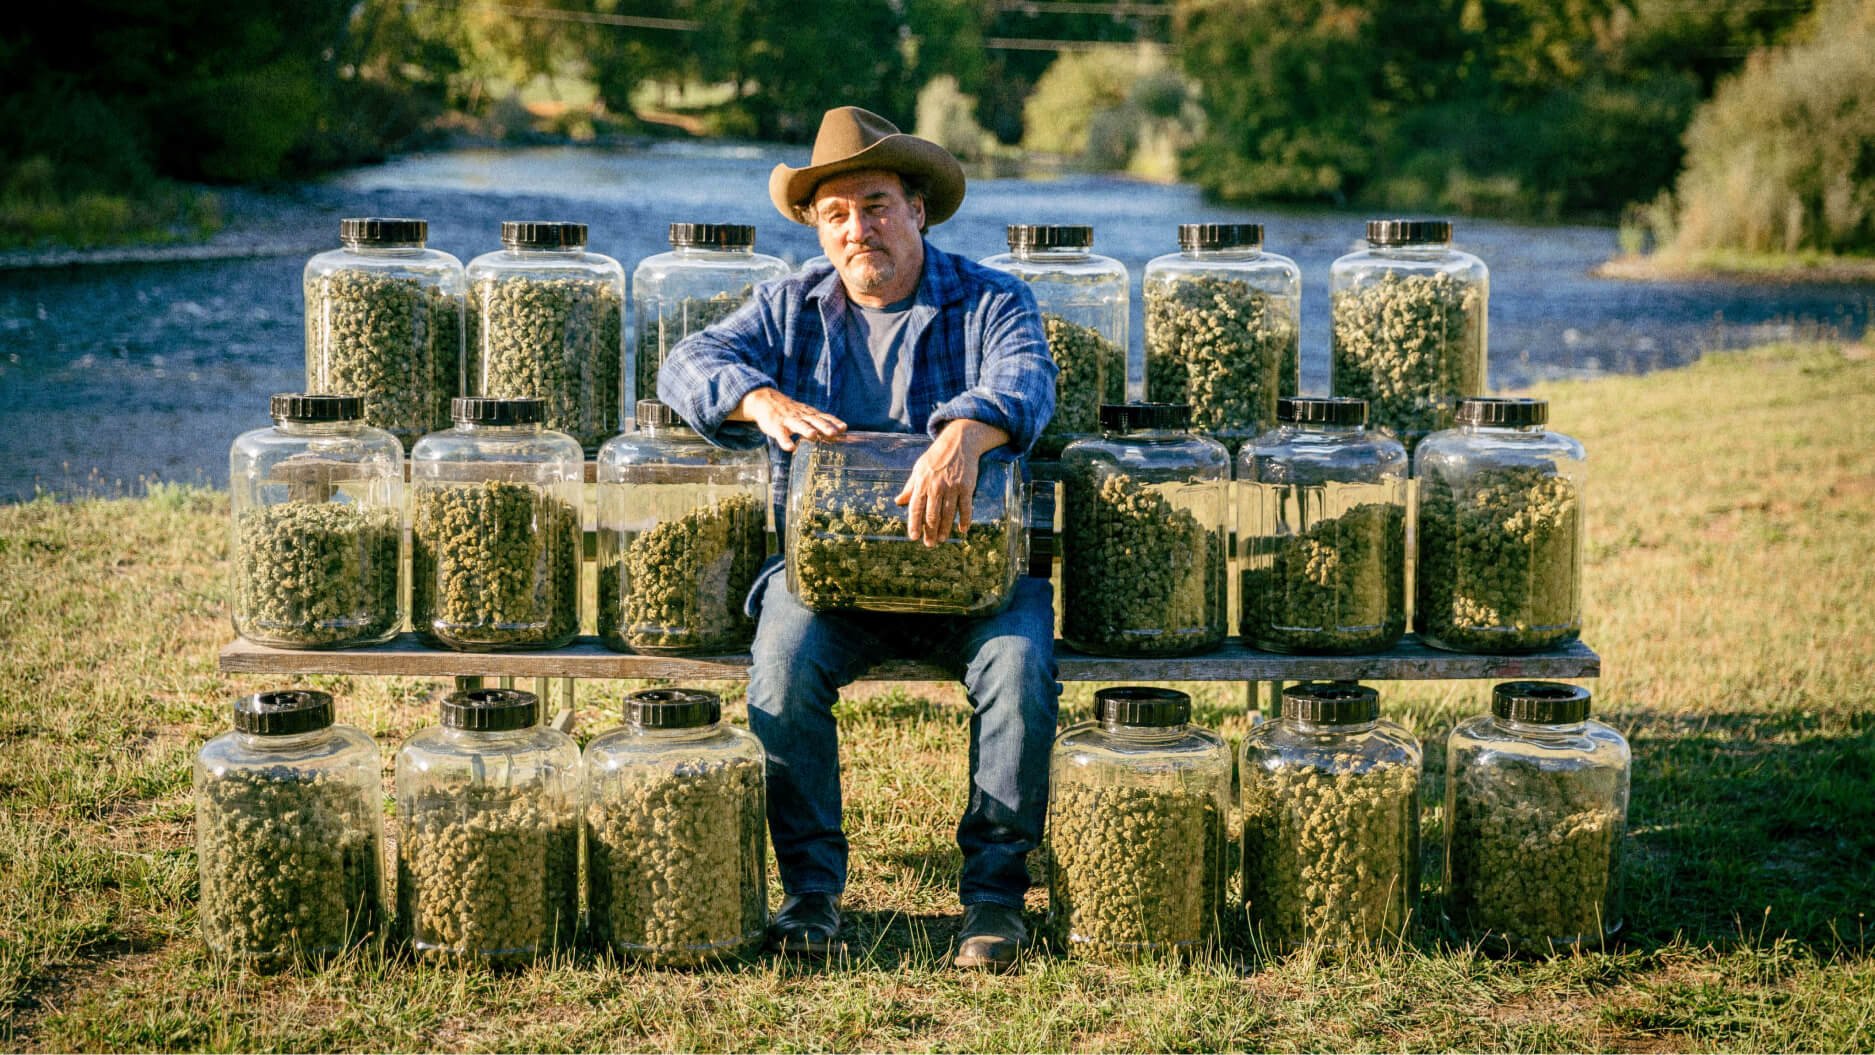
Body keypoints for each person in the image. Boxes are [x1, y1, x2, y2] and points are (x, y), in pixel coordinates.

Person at [657, 106, 1060, 970]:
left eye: (874, 205)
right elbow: (684, 361)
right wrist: (755, 397)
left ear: (917, 208)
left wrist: (965, 432)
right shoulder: (789, 305)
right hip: (831, 583)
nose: (856, 228)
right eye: (834, 213)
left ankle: (994, 897)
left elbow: (1026, 378)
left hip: (969, 578)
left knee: (1019, 668)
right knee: (782, 662)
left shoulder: (990, 298)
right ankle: (811, 893)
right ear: (816, 226)